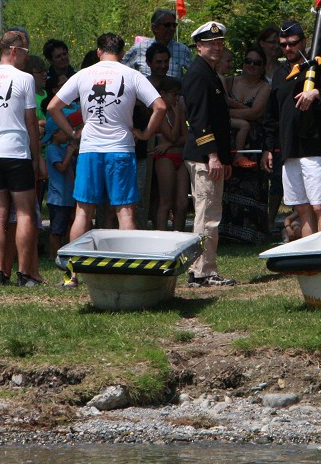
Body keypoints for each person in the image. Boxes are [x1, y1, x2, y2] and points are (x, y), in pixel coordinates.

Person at [47, 33, 166, 253]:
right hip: (120, 149)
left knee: (83, 212)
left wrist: (72, 133)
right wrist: (146, 133)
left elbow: (53, 107)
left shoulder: (83, 75)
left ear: (99, 52)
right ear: (121, 53)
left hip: (90, 149)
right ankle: (127, 267)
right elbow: (160, 106)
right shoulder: (132, 75)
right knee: (125, 212)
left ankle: (73, 272)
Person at [262, 21, 321, 237]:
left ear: (303, 41)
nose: (288, 49)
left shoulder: (319, 66)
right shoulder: (282, 72)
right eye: (283, 45)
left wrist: (317, 93)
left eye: (292, 44)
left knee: (320, 206)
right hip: (289, 148)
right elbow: (272, 114)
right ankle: (308, 255)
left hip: (315, 145)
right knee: (301, 207)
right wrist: (268, 147)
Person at [0, 31, 43, 287]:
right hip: (15, 150)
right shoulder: (24, 79)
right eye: (25, 52)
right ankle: (25, 273)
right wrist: (36, 157)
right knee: (25, 213)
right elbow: (30, 122)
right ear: (14, 51)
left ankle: (0, 272)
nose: (26, 58)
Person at [182, 21, 235, 287]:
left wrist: (223, 157)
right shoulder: (198, 74)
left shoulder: (208, 72)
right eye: (210, 43)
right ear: (199, 46)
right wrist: (213, 155)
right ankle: (202, 271)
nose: (217, 47)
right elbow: (199, 120)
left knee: (211, 212)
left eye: (220, 43)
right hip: (204, 156)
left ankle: (204, 268)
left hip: (210, 155)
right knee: (207, 215)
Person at [151, 77, 189, 232]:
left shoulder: (178, 111)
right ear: (163, 94)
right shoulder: (160, 113)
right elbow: (173, 135)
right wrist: (178, 115)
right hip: (165, 159)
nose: (176, 98)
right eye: (173, 94)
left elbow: (186, 137)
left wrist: (169, 144)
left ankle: (179, 236)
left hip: (180, 156)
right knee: (166, 201)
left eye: (178, 95)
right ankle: (162, 234)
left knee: (182, 203)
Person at [45, 109, 80, 258]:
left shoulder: (63, 148)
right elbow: (61, 167)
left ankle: (64, 254)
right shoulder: (52, 149)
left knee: (65, 228)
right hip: (57, 198)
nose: (68, 133)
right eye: (64, 131)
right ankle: (54, 255)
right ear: (55, 133)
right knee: (56, 230)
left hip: (67, 196)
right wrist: (69, 153)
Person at [122, 8, 193, 81]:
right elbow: (121, 70)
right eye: (167, 25)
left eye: (174, 25)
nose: (172, 29)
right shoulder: (139, 48)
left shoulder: (183, 50)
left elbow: (193, 75)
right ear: (155, 28)